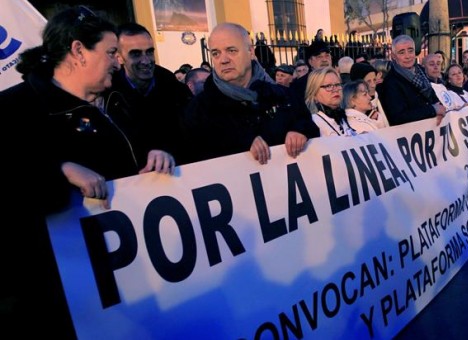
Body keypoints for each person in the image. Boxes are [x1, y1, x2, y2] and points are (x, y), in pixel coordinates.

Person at [0, 6, 174, 337]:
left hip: (130, 281)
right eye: (111, 52)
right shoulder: (16, 108)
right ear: (79, 51)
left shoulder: (119, 101)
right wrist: (58, 170)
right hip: (61, 300)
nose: (118, 61)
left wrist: (158, 157)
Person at [182, 23, 319, 164]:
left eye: (231, 51)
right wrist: (240, 142)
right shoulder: (198, 109)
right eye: (216, 53)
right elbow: (188, 157)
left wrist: (300, 131)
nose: (223, 60)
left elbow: (309, 125)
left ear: (251, 52)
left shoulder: (283, 95)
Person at [111, 23, 192, 163]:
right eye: (136, 54)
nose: (146, 60)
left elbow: (190, 132)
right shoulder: (109, 91)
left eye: (149, 51)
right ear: (119, 57)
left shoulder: (172, 86)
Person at [377, 34, 446, 126]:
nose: (407, 56)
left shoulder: (421, 71)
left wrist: (440, 111)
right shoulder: (391, 83)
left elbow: (434, 98)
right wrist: (433, 110)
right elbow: (398, 117)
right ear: (393, 56)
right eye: (402, 52)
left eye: (410, 51)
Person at [305, 67, 356, 137]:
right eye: (328, 86)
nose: (335, 89)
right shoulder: (312, 123)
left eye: (337, 85)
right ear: (314, 94)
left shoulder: (348, 117)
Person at [349, 62, 389, 128]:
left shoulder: (381, 98)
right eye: (368, 81)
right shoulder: (354, 108)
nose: (373, 85)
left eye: (374, 80)